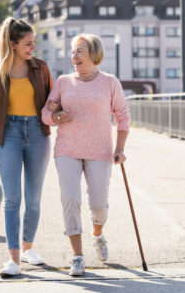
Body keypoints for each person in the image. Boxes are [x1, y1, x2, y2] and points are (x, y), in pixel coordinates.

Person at [41, 33, 131, 276]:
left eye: (79, 51)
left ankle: (97, 234)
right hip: (67, 149)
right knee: (70, 199)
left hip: (100, 151)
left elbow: (123, 116)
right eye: (73, 51)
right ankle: (77, 257)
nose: (74, 56)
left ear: (94, 54)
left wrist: (120, 148)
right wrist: (57, 117)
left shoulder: (110, 82)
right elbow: (45, 114)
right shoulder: (63, 82)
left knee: (99, 206)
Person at [0, 17, 61, 277]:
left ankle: (28, 248)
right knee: (12, 199)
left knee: (34, 198)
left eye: (34, 42)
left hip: (38, 133)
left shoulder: (41, 68)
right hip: (9, 136)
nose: (33, 48)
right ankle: (13, 260)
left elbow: (53, 102)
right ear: (12, 44)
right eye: (28, 43)